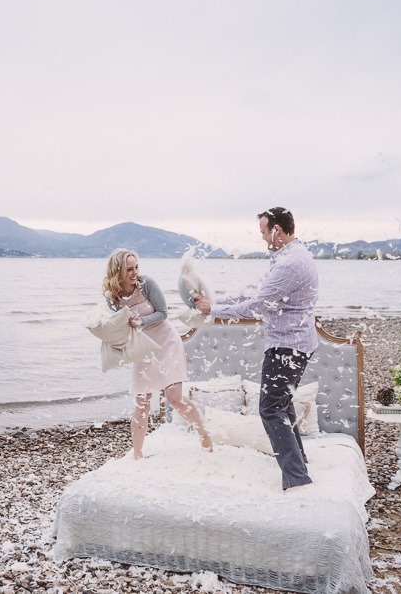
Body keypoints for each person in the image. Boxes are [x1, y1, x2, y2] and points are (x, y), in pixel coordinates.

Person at [194, 207, 318, 492]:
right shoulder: (290, 257)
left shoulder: (289, 264)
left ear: (276, 230)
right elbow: (255, 291)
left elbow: (257, 305)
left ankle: (298, 479)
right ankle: (300, 465)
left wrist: (214, 309)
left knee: (270, 409)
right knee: (282, 405)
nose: (262, 238)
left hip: (287, 346)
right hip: (296, 343)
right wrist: (216, 300)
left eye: (263, 232)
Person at [103, 248, 213, 460]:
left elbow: (163, 313)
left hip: (167, 343)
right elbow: (119, 324)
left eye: (136, 267)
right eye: (129, 269)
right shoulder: (112, 296)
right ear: (117, 271)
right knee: (142, 403)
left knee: (175, 399)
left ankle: (203, 434)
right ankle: (137, 454)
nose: (135, 273)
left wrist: (141, 321)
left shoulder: (147, 284)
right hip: (143, 348)